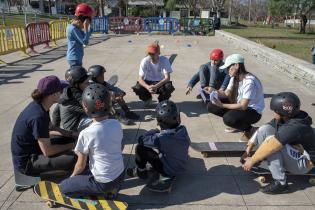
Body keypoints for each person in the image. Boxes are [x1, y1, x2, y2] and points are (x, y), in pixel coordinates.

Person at [242, 92, 315, 194]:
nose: (273, 113)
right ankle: (264, 157)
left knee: (272, 145)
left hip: (304, 163)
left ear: (283, 112)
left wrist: (253, 160)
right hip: (295, 150)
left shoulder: (295, 126)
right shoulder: (287, 117)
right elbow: (262, 129)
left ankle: (281, 184)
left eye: (275, 111)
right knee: (265, 129)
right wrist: (248, 149)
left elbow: (272, 145)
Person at [60, 83, 125, 196]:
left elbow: (80, 165)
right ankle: (109, 187)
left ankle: (100, 191)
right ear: (109, 104)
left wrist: (71, 179)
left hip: (103, 183)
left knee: (64, 186)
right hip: (120, 175)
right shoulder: (116, 124)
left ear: (85, 107)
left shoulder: (86, 133)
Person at [11, 75, 77, 177]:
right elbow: (48, 151)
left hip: (35, 147)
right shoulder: (38, 116)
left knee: (68, 140)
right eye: (61, 91)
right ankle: (48, 174)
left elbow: (51, 128)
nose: (63, 93)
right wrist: (72, 146)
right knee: (75, 157)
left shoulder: (41, 105)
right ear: (53, 95)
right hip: (27, 162)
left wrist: (70, 134)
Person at [127, 100, 191, 187]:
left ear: (159, 122)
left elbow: (141, 140)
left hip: (169, 170)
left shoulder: (160, 138)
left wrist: (156, 130)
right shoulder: (182, 129)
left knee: (140, 148)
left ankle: (141, 171)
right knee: (167, 149)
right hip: (182, 164)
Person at [208, 54, 265, 141]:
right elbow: (226, 93)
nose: (227, 71)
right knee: (211, 106)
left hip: (253, 112)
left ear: (237, 65)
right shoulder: (234, 78)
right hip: (241, 106)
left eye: (228, 68)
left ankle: (251, 130)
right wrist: (213, 91)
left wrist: (222, 105)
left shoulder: (249, 81)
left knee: (228, 118)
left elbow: (243, 106)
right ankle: (238, 123)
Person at [132, 42, 175, 107]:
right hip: (148, 82)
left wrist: (156, 86)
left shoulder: (164, 60)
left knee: (169, 87)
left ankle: (161, 101)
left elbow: (167, 78)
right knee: (137, 87)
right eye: (149, 53)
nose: (151, 55)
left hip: (160, 82)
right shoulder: (145, 61)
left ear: (158, 53)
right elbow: (140, 79)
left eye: (153, 53)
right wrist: (147, 87)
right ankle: (147, 99)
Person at [51, 66, 90, 132]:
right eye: (86, 83)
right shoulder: (71, 99)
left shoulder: (67, 94)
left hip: (79, 120)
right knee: (100, 121)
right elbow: (92, 110)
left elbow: (55, 113)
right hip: (74, 130)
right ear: (76, 84)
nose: (89, 84)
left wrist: (55, 127)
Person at [66, 3, 94, 67]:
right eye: (84, 24)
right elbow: (85, 42)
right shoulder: (73, 29)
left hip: (76, 58)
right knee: (78, 76)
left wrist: (90, 27)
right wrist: (86, 28)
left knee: (79, 75)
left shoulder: (76, 28)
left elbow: (85, 36)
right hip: (74, 59)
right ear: (80, 20)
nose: (83, 26)